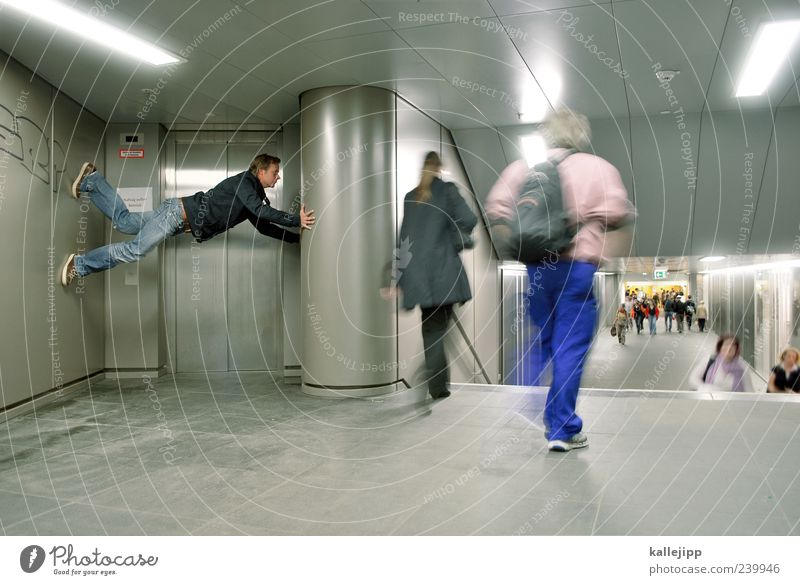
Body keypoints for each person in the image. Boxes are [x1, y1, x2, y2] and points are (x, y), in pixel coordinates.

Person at [485, 108, 634, 452]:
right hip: (576, 269)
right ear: (579, 136)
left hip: (537, 268)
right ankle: (562, 428)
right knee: (571, 347)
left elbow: (496, 208)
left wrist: (518, 238)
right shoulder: (598, 169)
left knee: (548, 339)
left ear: (547, 135)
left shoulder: (523, 169)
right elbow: (618, 213)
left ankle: (544, 407)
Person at [60, 155, 315, 286]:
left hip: (178, 215)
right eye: (274, 172)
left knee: (126, 222)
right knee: (136, 250)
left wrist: (296, 239)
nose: (277, 177)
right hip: (176, 215)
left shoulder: (251, 195)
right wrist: (296, 219)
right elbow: (261, 213)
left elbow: (263, 225)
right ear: (261, 171)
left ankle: (92, 181)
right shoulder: (245, 184)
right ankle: (80, 265)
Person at [396, 151, 477, 400]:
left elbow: (404, 241)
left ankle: (435, 381)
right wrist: (454, 234)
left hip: (419, 279)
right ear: (439, 168)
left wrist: (398, 279)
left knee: (432, 330)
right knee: (437, 331)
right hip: (445, 276)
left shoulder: (411, 198)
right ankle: (434, 379)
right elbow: (470, 219)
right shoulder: (448, 191)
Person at [689, 334, 754, 392]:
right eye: (726, 344)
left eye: (733, 345)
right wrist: (705, 387)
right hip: (710, 402)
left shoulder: (742, 367)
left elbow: (749, 391)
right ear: (720, 347)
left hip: (734, 404)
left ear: (736, 350)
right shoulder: (709, 360)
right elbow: (693, 379)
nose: (729, 348)